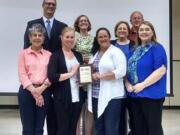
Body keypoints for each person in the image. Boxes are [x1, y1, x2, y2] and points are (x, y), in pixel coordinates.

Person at [24, 0, 67, 135]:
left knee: (54, 117)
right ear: (43, 6)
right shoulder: (31, 24)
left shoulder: (62, 26)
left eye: (53, 4)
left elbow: (64, 50)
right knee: (34, 122)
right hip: (37, 78)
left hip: (55, 79)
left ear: (56, 7)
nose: (50, 6)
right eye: (47, 3)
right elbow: (26, 49)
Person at [126, 21, 167, 135]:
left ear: (152, 32)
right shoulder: (134, 50)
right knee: (138, 128)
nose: (144, 32)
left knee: (153, 128)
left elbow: (161, 70)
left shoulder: (157, 48)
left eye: (147, 29)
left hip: (151, 95)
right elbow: (127, 71)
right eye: (141, 30)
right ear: (138, 33)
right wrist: (127, 84)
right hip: (134, 95)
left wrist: (143, 85)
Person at [88, 27, 127, 135]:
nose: (103, 38)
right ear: (97, 39)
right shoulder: (95, 53)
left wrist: (101, 76)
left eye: (105, 36)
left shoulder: (116, 52)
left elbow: (121, 71)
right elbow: (91, 71)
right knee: (98, 127)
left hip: (112, 96)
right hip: (96, 95)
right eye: (100, 37)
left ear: (109, 37)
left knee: (111, 129)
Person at [47, 27, 86, 135]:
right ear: (61, 38)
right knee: (63, 128)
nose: (70, 39)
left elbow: (81, 73)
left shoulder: (78, 55)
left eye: (72, 37)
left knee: (73, 128)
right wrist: (71, 74)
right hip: (61, 98)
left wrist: (82, 79)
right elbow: (52, 77)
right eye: (67, 37)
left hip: (77, 97)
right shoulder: (56, 55)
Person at [18, 24, 51, 135]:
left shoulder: (49, 55)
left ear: (43, 38)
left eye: (40, 35)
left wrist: (40, 90)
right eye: (34, 35)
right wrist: (35, 92)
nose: (37, 37)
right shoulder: (23, 54)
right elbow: (22, 75)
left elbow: (51, 76)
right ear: (30, 38)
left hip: (44, 92)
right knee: (27, 127)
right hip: (26, 92)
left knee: (39, 127)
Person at [111, 21, 134, 135]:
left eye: (124, 28)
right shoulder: (110, 44)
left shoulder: (134, 44)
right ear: (116, 31)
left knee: (132, 114)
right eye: (119, 28)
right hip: (115, 84)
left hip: (130, 84)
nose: (122, 30)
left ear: (128, 31)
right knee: (118, 115)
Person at [73, 14, 94, 135]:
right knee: (78, 109)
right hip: (77, 75)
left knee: (90, 108)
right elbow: (70, 52)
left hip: (89, 75)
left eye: (86, 20)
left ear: (88, 23)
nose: (83, 22)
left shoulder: (93, 38)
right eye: (81, 21)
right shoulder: (74, 36)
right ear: (77, 23)